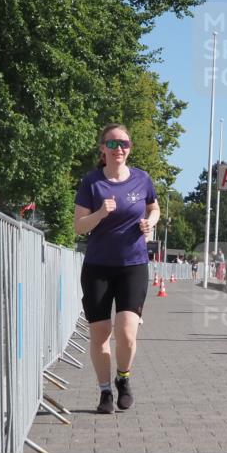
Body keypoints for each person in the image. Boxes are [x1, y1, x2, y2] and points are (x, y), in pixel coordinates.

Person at [74, 123, 160, 414]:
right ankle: (104, 392)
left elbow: (154, 207)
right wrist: (100, 213)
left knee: (126, 333)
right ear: (102, 149)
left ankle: (123, 379)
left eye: (124, 143)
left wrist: (151, 223)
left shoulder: (142, 179)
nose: (119, 149)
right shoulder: (91, 182)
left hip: (133, 265)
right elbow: (79, 226)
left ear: (130, 148)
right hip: (98, 266)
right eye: (112, 144)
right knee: (99, 334)